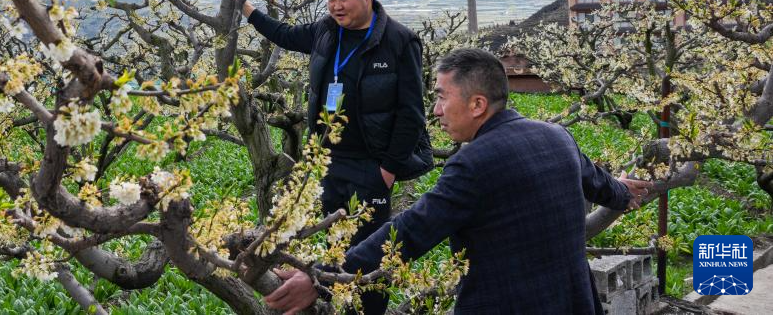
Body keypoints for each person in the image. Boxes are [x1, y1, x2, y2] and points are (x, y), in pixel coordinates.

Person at [265, 48, 652, 315]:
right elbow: (598, 182)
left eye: (441, 97)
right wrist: (623, 192)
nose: (435, 110)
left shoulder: (473, 163)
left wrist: (322, 279)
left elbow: (408, 231)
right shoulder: (556, 136)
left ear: (477, 104)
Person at [234, 0, 433, 313]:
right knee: (334, 246)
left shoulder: (399, 41)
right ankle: (333, 305)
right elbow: (285, 34)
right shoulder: (326, 31)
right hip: (328, 161)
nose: (336, 6)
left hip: (371, 166)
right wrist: (246, 8)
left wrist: (387, 171)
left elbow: (411, 114)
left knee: (370, 252)